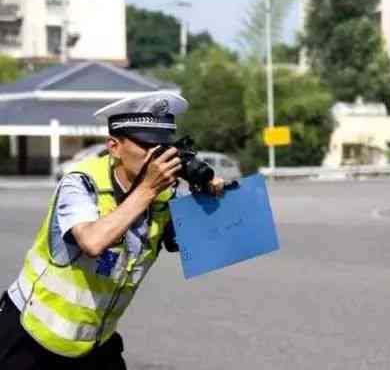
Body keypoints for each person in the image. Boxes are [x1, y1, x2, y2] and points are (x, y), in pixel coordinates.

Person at [0, 92, 224, 369]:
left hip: (94, 339)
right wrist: (147, 189)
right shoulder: (81, 182)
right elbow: (92, 242)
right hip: (33, 335)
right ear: (114, 146)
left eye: (164, 148)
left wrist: (210, 200)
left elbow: (206, 245)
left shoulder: (166, 196)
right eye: (146, 145)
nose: (157, 157)